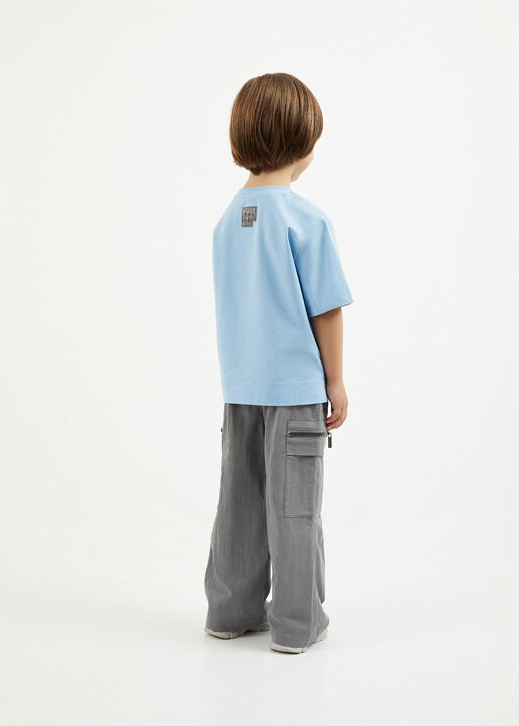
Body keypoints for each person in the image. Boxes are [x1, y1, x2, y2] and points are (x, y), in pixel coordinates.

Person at [203, 72, 354, 654]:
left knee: (238, 504)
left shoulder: (226, 222)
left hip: (240, 389)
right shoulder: (305, 220)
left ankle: (230, 611)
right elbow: (327, 310)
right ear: (301, 143)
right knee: (294, 510)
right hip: (294, 391)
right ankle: (296, 623)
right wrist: (335, 380)